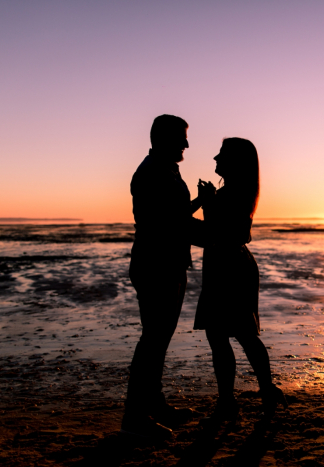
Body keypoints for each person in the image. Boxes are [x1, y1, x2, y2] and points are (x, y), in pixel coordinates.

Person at [194, 137, 287, 425]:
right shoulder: (236, 191)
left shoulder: (236, 193)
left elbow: (225, 234)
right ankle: (259, 393)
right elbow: (219, 233)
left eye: (221, 154)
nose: (215, 159)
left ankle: (232, 401)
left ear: (235, 161)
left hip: (229, 267)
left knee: (229, 335)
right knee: (236, 334)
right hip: (230, 264)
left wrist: (203, 206)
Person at [121, 114, 204, 438]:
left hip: (168, 264)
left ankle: (153, 405)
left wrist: (199, 202)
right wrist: (220, 234)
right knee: (153, 341)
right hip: (156, 266)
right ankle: (135, 418)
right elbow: (169, 224)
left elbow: (175, 214)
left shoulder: (166, 169)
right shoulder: (152, 174)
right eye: (182, 137)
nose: (186, 143)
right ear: (163, 139)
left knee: (158, 340)